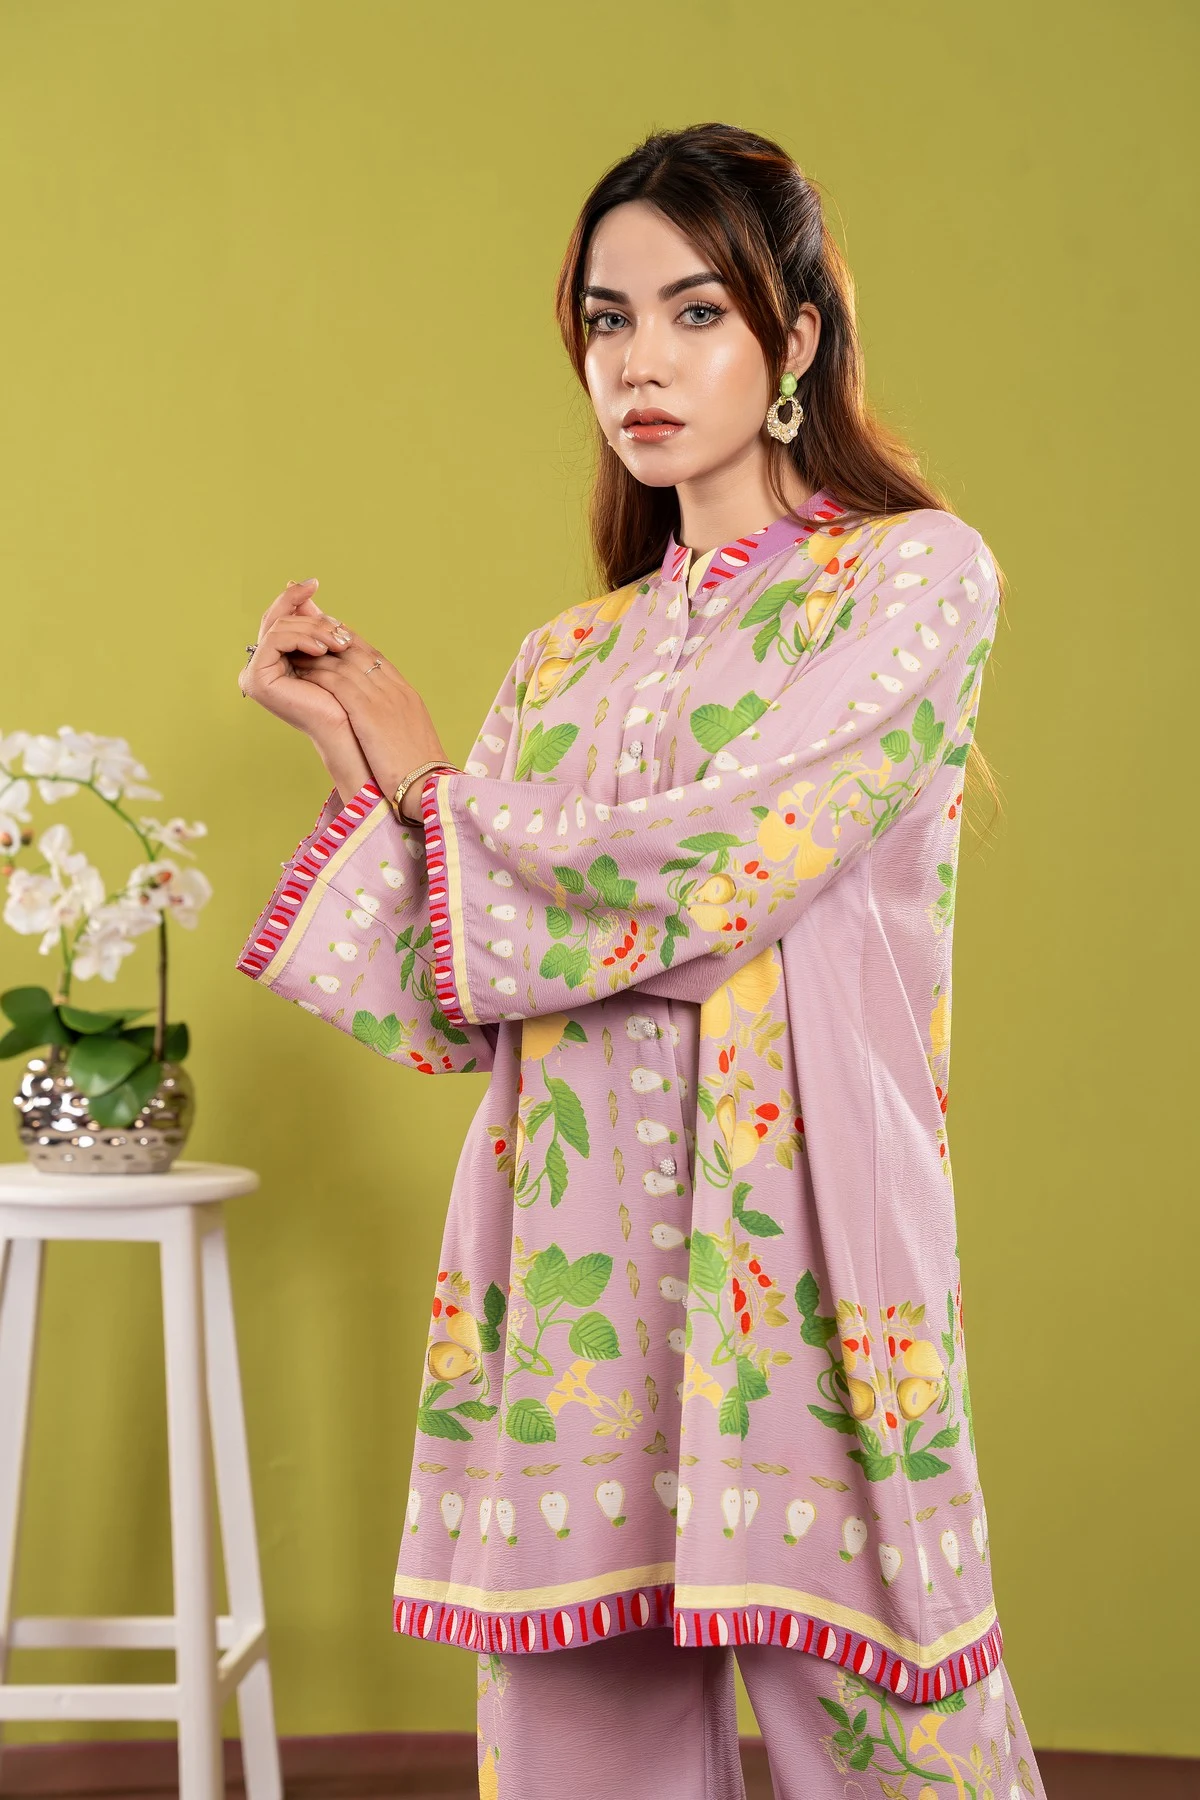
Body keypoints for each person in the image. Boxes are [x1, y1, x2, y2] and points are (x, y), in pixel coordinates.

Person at [237, 123, 1047, 1800]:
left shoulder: (913, 579)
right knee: (578, 1749)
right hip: (575, 1270)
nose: (641, 363)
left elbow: (723, 872)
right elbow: (465, 993)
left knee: (893, 1735)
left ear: (793, 338)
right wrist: (359, 760)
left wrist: (433, 790)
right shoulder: (568, 659)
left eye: (694, 312)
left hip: (805, 1250)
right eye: (608, 321)